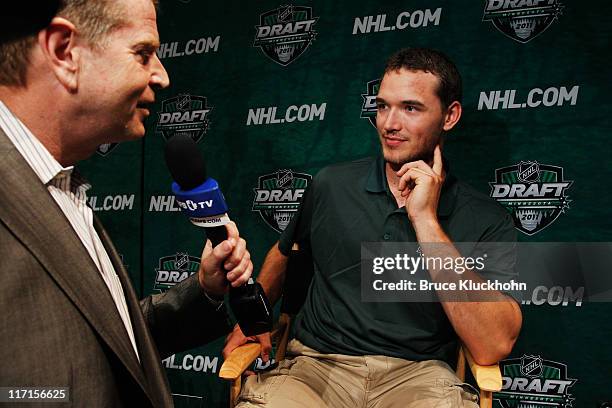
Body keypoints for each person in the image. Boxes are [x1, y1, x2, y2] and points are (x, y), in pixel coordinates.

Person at [223, 48, 523, 407]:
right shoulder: (331, 185)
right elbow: (287, 252)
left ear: (450, 115)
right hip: (315, 370)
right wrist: (253, 321)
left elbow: (493, 344)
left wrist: (426, 221)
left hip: (418, 377)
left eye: (410, 108)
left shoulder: (486, 219)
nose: (389, 124)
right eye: (383, 106)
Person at [0, 0, 259, 406]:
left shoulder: (64, 185)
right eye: (143, 53)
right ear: (64, 51)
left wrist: (205, 289)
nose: (162, 75)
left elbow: (108, 343)